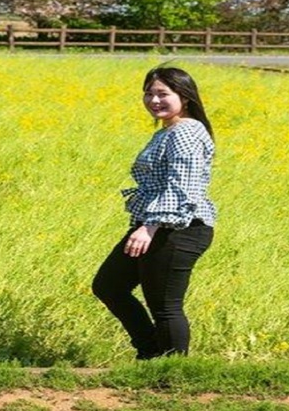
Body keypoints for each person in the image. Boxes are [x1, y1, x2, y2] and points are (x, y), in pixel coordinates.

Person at [92, 66, 216, 360]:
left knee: (164, 305)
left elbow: (182, 186)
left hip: (179, 227)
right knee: (109, 285)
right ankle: (151, 355)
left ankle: (172, 370)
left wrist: (150, 226)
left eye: (163, 94)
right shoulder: (170, 130)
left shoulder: (186, 132)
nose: (154, 100)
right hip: (157, 224)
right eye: (149, 93)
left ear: (184, 97)